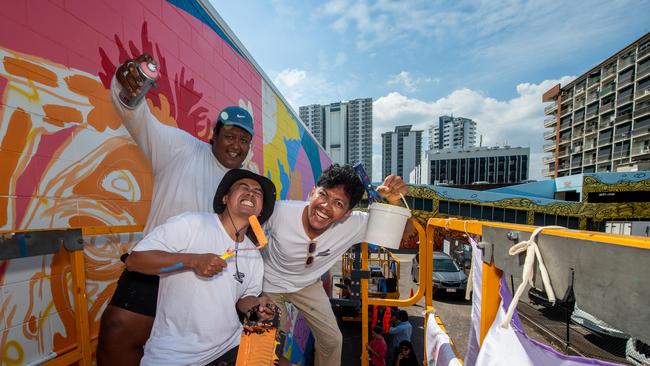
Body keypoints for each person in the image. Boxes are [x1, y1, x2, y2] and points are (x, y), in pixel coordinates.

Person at [97, 53, 256, 365]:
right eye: (230, 135)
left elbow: (256, 232)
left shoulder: (246, 182)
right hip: (158, 265)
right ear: (215, 135)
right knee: (117, 332)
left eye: (244, 139)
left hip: (206, 278)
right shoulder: (180, 148)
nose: (236, 144)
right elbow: (135, 113)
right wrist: (130, 87)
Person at [262, 164, 412, 366]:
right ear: (312, 192)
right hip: (270, 283)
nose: (325, 206)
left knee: (332, 341)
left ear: (348, 212)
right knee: (268, 343)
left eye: (338, 203)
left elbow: (405, 234)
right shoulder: (280, 212)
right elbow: (246, 227)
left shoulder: (355, 224)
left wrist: (395, 202)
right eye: (323, 195)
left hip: (307, 285)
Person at [124, 169, 277, 365]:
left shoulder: (254, 255)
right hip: (174, 356)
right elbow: (134, 261)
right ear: (225, 198)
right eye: (243, 187)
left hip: (230, 346)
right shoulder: (192, 223)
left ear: (260, 209)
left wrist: (258, 308)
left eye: (258, 192)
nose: (251, 193)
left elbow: (244, 299)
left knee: (270, 343)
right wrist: (193, 261)